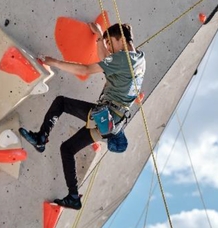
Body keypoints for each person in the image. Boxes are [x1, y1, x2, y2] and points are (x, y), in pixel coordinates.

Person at [19, 22, 146, 210]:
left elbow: (86, 69)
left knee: (61, 103)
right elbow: (107, 62)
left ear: (122, 40)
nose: (109, 47)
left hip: (104, 115)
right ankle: (73, 196)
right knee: (67, 149)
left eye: (111, 43)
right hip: (110, 125)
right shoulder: (140, 59)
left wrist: (53, 62)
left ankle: (41, 137)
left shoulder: (122, 59)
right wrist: (101, 36)